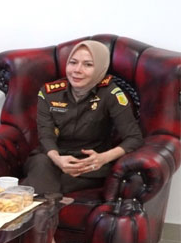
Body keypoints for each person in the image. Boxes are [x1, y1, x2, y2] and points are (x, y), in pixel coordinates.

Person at [21, 40, 144, 195]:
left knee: (39, 183)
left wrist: (103, 158)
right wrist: (57, 159)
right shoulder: (49, 93)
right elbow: (46, 134)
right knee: (41, 164)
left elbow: (134, 138)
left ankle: (35, 197)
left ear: (100, 67)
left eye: (88, 65)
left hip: (88, 166)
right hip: (52, 158)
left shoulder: (111, 94)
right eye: (73, 63)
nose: (77, 70)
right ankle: (48, 202)